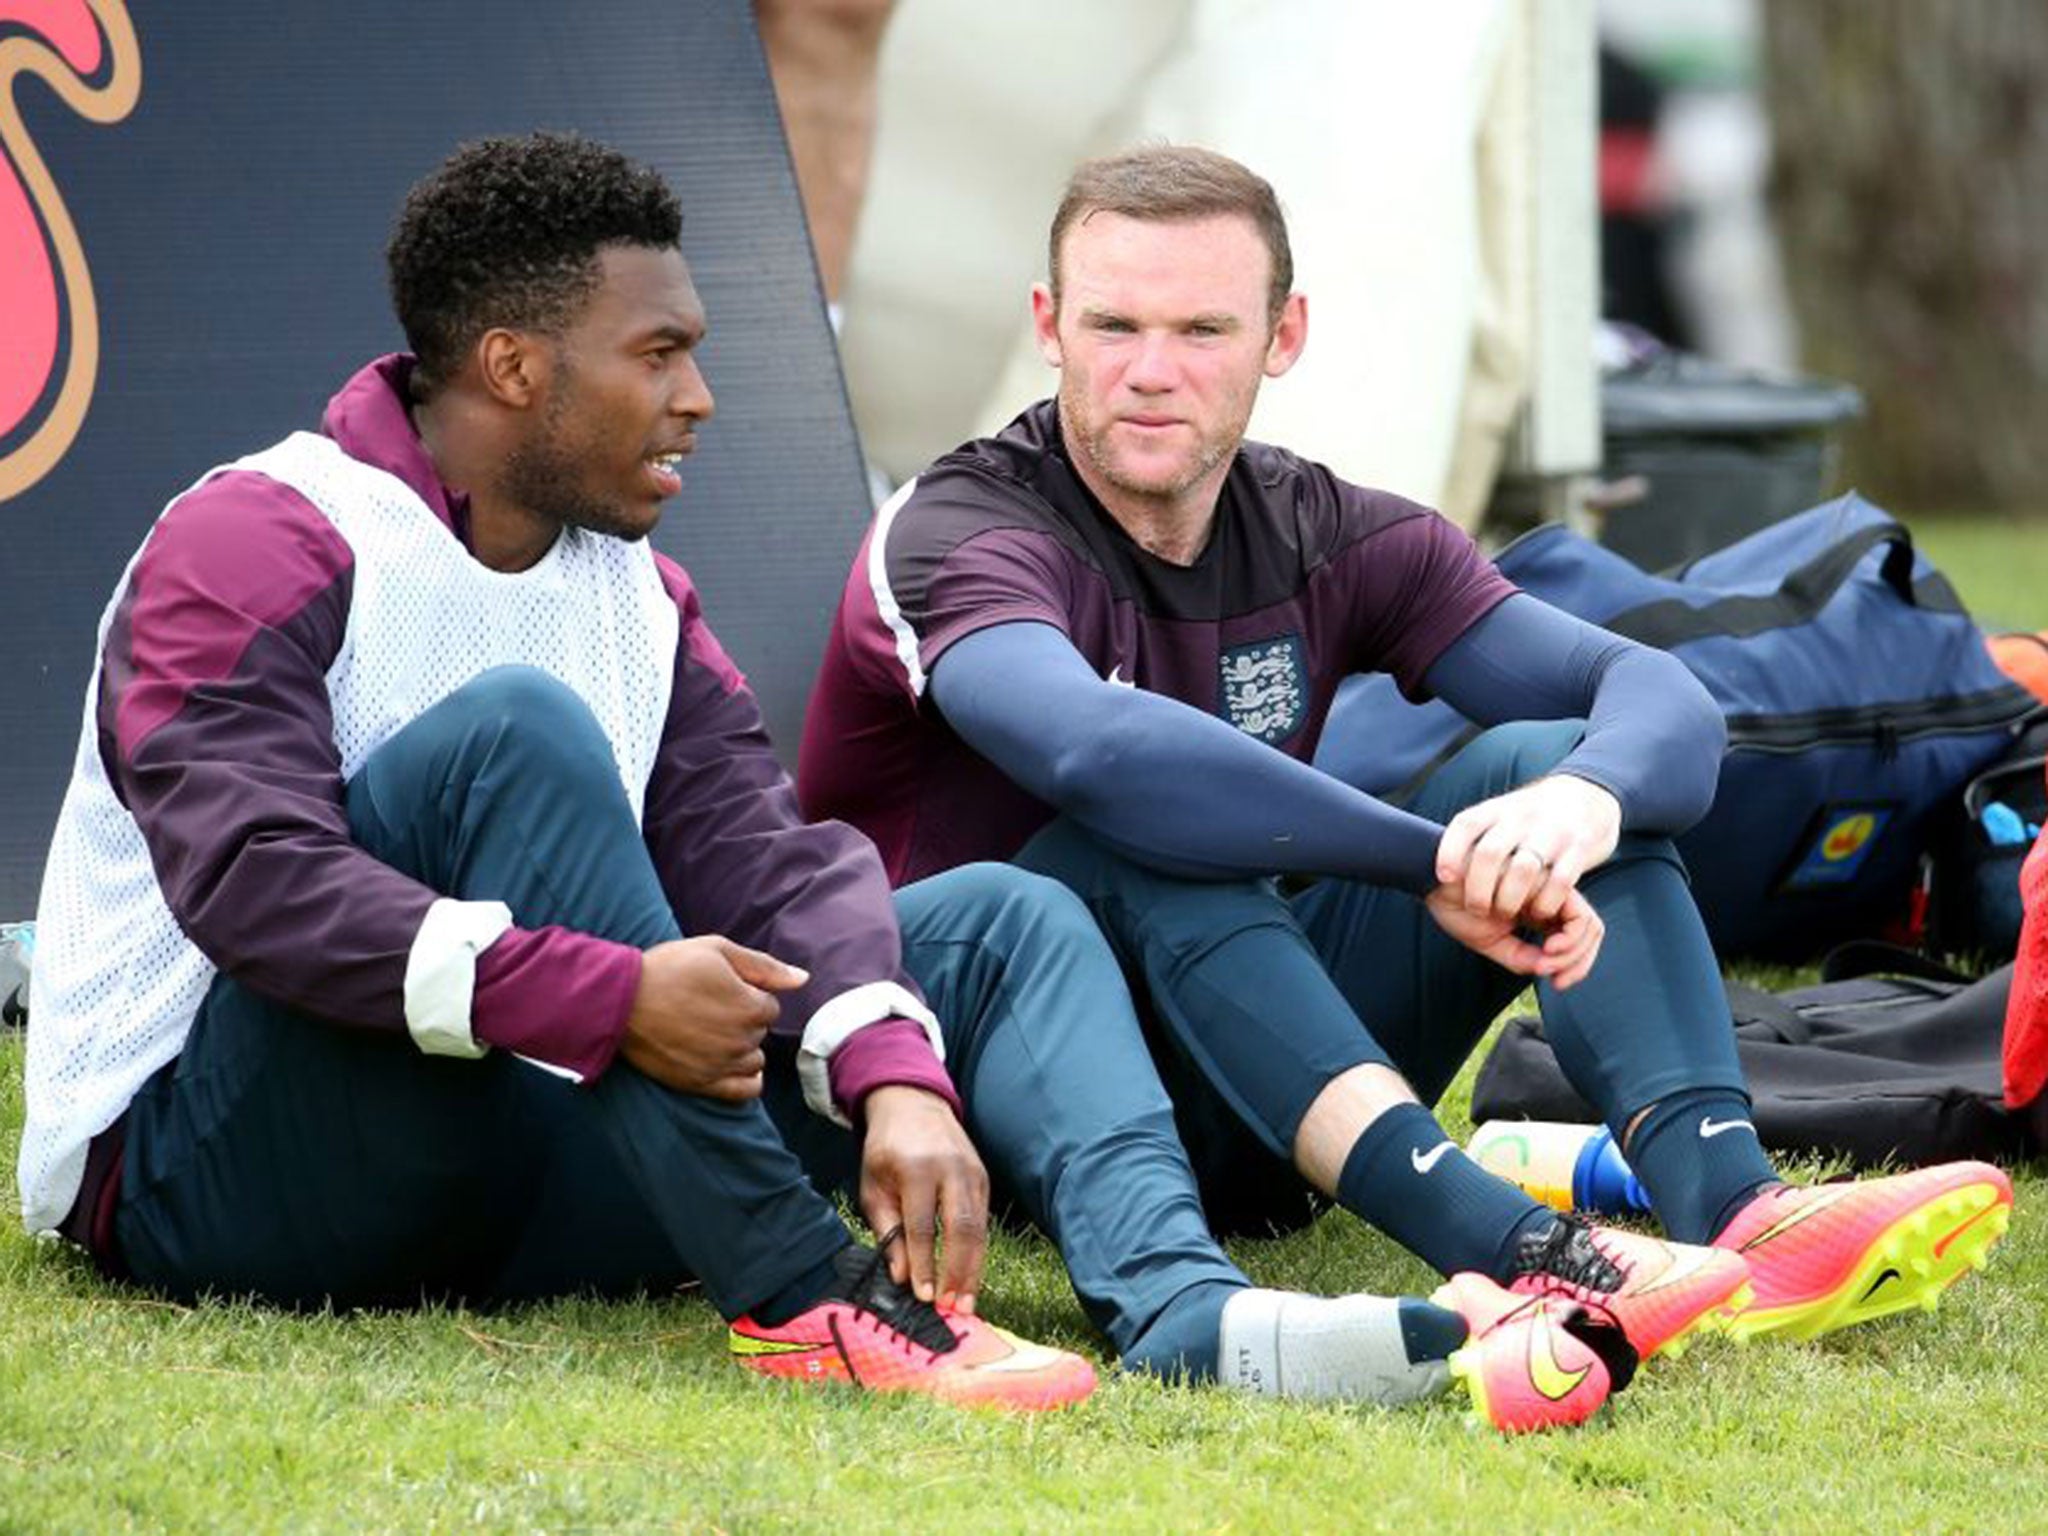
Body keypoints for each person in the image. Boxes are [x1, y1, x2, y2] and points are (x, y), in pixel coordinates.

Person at [16, 131, 1609, 1422]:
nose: (701, 397)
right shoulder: (258, 536)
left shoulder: (633, 590)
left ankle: (1188, 1312)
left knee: (991, 919)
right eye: (658, 355)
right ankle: (811, 1300)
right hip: (203, 1177)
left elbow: (765, 859)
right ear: (512, 366)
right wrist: (606, 994)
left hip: (506, 1143)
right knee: (517, 737)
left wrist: (891, 1066)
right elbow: (256, 888)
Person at [800, 144, 2014, 1363]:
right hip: (973, 1098)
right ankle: (1524, 1249)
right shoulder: (960, 529)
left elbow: (1654, 696)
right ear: (1047, 326)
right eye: (1112, 325)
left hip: (1248, 1074)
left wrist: (1577, 806)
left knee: (1543, 765)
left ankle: (1737, 1211)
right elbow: (1096, 756)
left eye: (1202, 331)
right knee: (1130, 838)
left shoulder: (1328, 528)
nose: (1150, 373)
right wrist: (1435, 861)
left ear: (1283, 337)